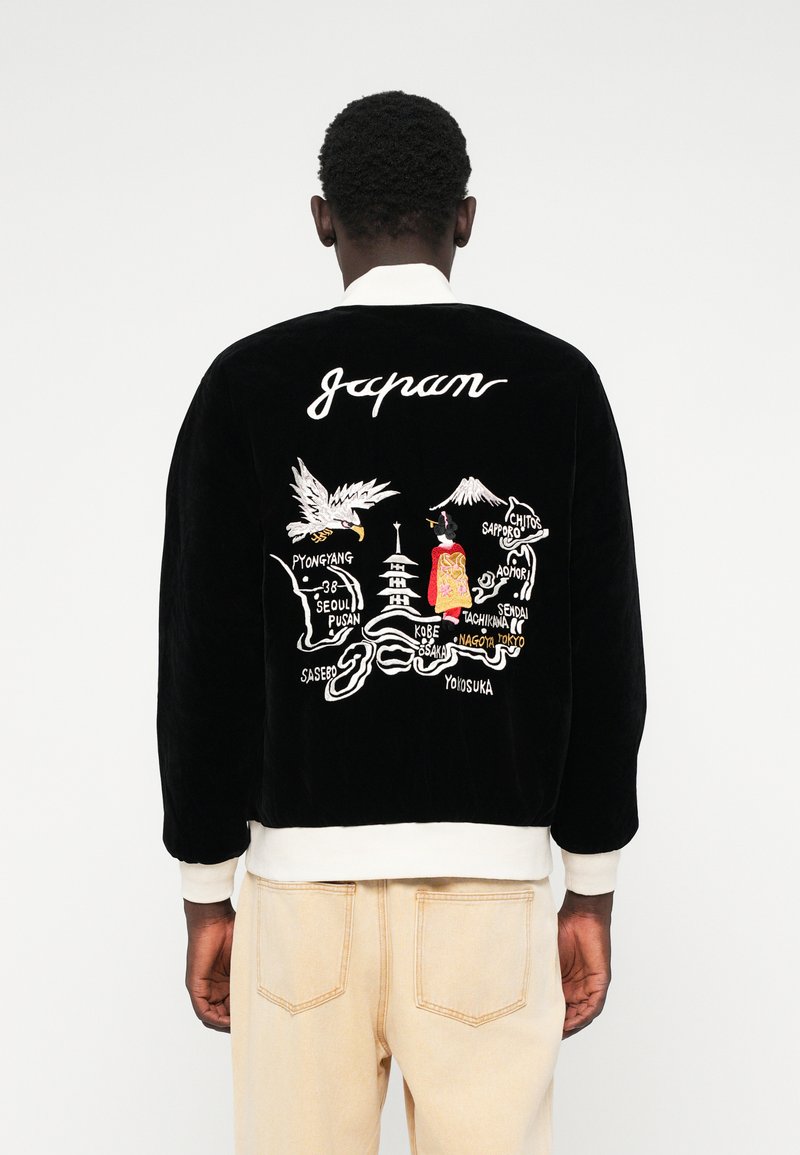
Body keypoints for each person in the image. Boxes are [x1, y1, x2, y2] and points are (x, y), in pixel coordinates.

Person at [157, 89, 647, 1155]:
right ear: (465, 217)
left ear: (321, 218)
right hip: (487, 896)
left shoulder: (245, 385)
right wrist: (590, 882)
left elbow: (204, 655)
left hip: (299, 900)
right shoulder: (556, 385)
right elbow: (602, 647)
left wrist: (205, 887)